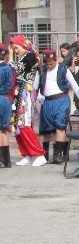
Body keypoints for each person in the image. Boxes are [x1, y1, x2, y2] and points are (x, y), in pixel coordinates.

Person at [36, 50, 79, 165]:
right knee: (47, 130)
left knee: (60, 126)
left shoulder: (63, 68)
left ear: (56, 59)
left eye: (51, 63)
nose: (49, 65)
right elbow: (36, 86)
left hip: (61, 99)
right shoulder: (42, 70)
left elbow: (73, 83)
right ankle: (45, 156)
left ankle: (58, 156)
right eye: (47, 63)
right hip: (47, 101)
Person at [9, 35, 46, 167]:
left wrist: (11, 56)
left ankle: (39, 153)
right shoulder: (25, 57)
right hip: (19, 93)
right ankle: (27, 154)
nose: (15, 50)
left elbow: (14, 70)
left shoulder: (30, 57)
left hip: (25, 92)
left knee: (24, 123)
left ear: (23, 46)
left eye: (16, 47)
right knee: (18, 124)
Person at [0, 44, 15, 168]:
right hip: (6, 99)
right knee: (3, 130)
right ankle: (6, 161)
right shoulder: (8, 68)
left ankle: (1, 160)